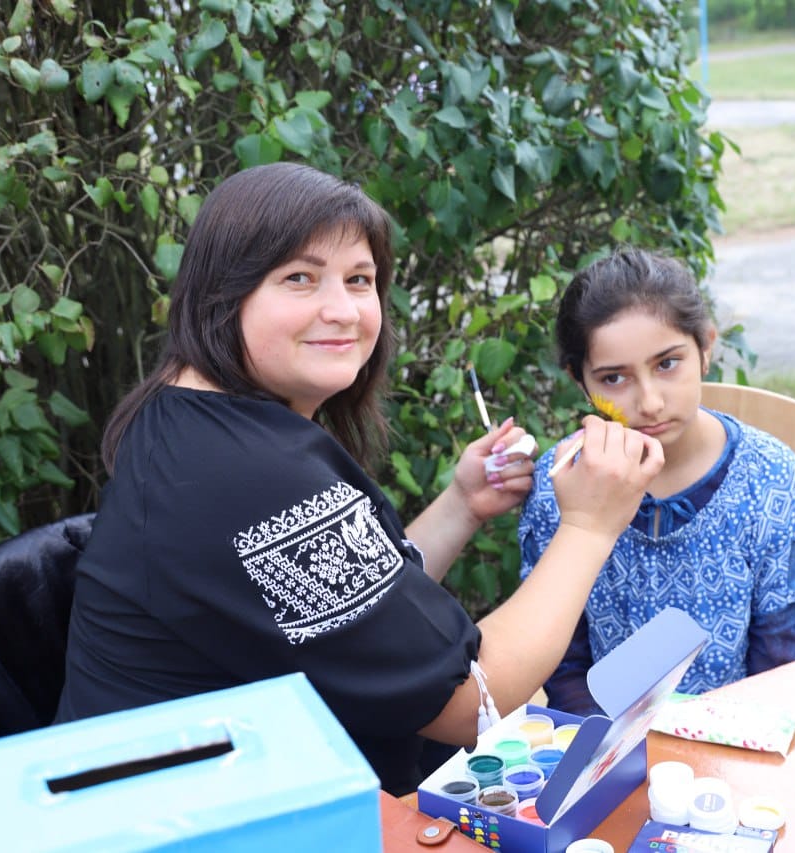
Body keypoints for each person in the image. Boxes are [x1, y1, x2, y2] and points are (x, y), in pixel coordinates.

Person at [53, 163, 665, 795]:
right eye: (299, 278)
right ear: (222, 291)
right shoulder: (250, 476)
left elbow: (349, 613)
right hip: (196, 823)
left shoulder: (188, 417)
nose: (342, 311)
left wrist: (461, 505)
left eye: (359, 280)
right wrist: (591, 525)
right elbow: (472, 702)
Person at [517, 248, 795, 716]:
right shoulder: (562, 484)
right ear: (580, 381)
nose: (650, 402)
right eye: (614, 378)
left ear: (705, 347)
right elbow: (563, 664)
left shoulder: (770, 481)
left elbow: (780, 666)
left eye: (667, 364)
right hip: (605, 756)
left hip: (737, 748)